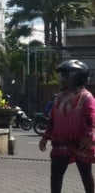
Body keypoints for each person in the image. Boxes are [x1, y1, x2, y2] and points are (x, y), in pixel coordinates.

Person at [39, 59, 95, 193]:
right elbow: (52, 120)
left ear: (79, 78)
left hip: (81, 144)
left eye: (66, 76)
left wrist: (90, 137)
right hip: (61, 145)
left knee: (86, 176)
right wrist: (45, 137)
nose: (63, 79)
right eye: (62, 76)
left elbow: (91, 119)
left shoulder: (86, 97)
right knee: (56, 176)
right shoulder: (59, 97)